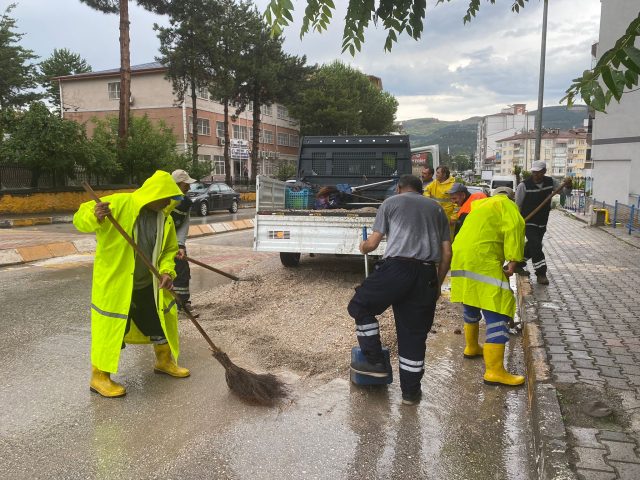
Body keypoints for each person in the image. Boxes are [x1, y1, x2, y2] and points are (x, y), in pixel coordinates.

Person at [73, 170, 190, 398]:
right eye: (166, 197)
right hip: (117, 285)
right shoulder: (118, 204)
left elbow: (168, 250)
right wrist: (95, 216)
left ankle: (164, 362)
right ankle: (99, 377)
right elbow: (79, 219)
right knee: (113, 330)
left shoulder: (162, 218)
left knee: (159, 322)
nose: (169, 202)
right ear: (154, 194)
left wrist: (167, 271)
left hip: (147, 283)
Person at [347, 174, 452, 406]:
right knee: (413, 335)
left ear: (399, 188)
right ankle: (410, 394)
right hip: (426, 274)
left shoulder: (390, 203)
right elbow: (447, 254)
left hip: (397, 268)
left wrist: (363, 246)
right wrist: (438, 284)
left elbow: (372, 243)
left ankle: (375, 362)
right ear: (421, 189)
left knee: (360, 305)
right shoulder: (437, 209)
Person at [449, 186, 526, 386]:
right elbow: (515, 229)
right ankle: (495, 371)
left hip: (460, 256)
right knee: (497, 308)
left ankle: (472, 347)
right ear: (512, 198)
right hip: (481, 259)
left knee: (472, 298)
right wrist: (513, 259)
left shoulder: (480, 206)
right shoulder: (506, 204)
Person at [514, 160, 558, 285]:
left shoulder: (551, 182)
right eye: (534, 172)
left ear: (544, 172)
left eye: (539, 172)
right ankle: (541, 274)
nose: (536, 175)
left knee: (534, 245)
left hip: (542, 221)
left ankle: (518, 264)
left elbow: (565, 192)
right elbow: (518, 205)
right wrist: (518, 221)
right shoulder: (524, 185)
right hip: (528, 221)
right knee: (536, 245)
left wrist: (568, 186)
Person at [171, 169, 197, 316]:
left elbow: (183, 225)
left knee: (182, 270)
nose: (189, 187)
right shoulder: (164, 200)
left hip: (175, 241)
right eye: (186, 184)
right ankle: (169, 305)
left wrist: (180, 245)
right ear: (177, 184)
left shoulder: (186, 203)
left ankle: (183, 303)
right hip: (159, 242)